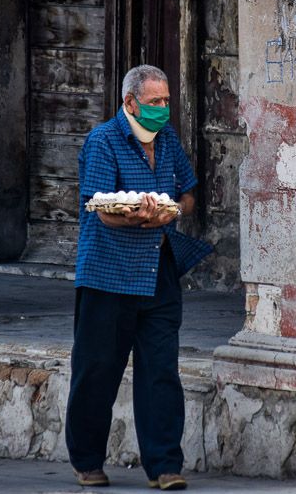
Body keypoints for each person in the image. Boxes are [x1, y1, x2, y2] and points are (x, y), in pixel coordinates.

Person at [65, 65, 211, 491]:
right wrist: (138, 215)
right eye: (154, 103)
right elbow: (102, 209)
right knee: (96, 370)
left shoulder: (166, 142)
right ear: (131, 103)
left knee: (161, 371)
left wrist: (175, 211)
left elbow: (188, 193)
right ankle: (87, 461)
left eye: (167, 102)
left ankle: (165, 466)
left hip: (158, 271)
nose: (163, 110)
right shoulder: (104, 141)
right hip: (109, 275)